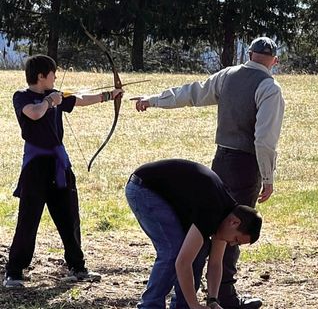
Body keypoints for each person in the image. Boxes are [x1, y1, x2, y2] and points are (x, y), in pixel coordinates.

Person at [132, 37, 285, 309]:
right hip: (246, 164)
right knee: (228, 233)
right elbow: (264, 140)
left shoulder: (228, 76)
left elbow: (192, 93)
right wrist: (268, 176)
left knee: (204, 232)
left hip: (221, 159)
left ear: (249, 54)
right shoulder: (269, 87)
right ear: (274, 60)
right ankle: (223, 297)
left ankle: (188, 298)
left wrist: (154, 100)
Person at [3, 54, 124, 288]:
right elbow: (35, 113)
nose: (55, 77)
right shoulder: (22, 97)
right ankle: (15, 271)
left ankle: (77, 267)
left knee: (69, 216)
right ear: (41, 76)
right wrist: (51, 101)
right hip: (36, 167)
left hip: (59, 165)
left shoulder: (55, 95)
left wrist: (109, 95)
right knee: (28, 219)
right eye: (52, 73)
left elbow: (80, 99)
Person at [125, 158, 263, 309]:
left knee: (200, 249)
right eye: (236, 239)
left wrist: (213, 300)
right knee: (173, 251)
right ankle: (150, 306)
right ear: (234, 222)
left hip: (167, 196)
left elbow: (216, 263)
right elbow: (182, 262)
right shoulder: (213, 212)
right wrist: (194, 305)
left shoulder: (227, 217)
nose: (232, 244)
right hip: (143, 188)